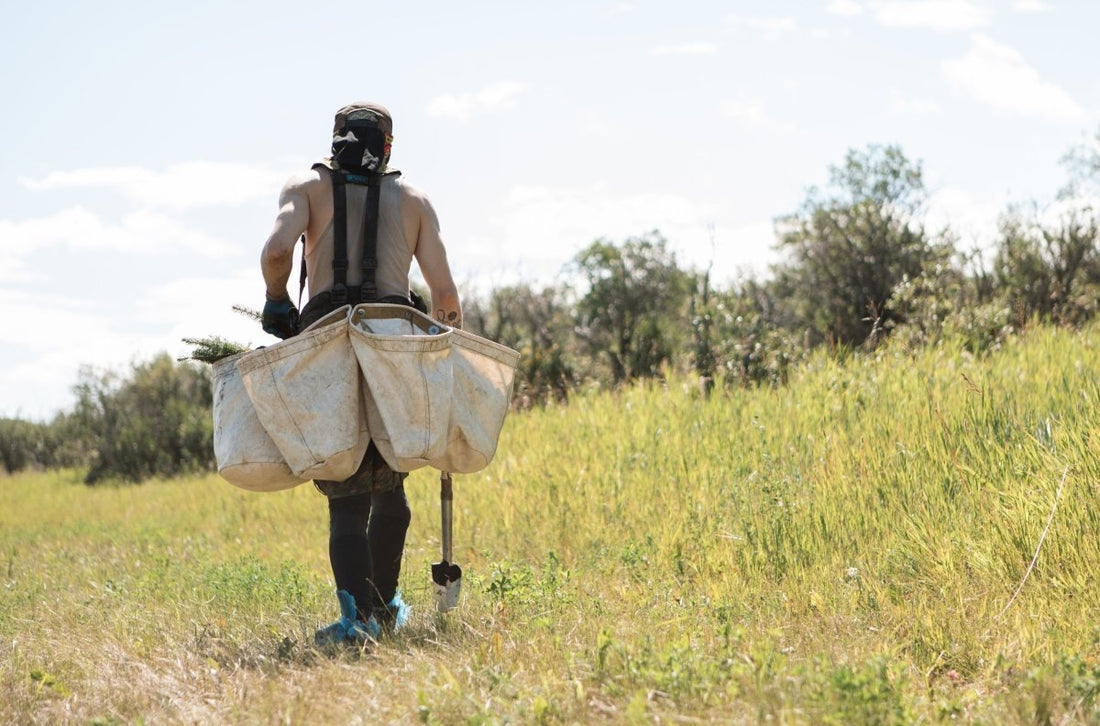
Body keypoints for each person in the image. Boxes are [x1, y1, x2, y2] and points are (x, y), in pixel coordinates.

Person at [258, 102, 462, 645]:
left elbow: (280, 249)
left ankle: (357, 622)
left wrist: (277, 300)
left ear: (334, 140)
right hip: (392, 340)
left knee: (346, 487)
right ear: (388, 146)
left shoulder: (307, 186)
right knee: (391, 480)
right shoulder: (414, 200)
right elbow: (444, 295)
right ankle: (382, 609)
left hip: (327, 339)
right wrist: (443, 350)